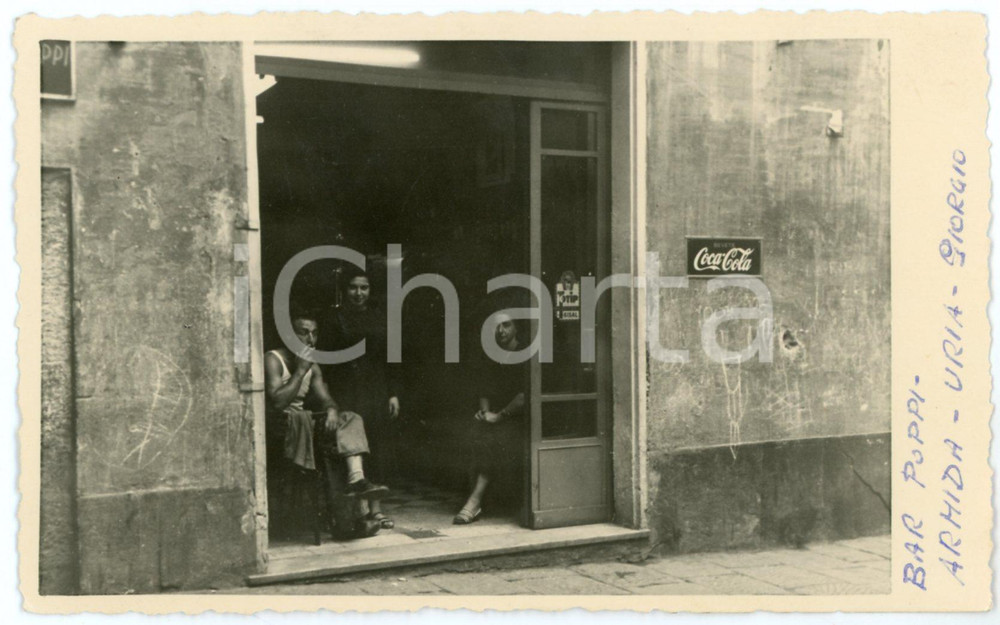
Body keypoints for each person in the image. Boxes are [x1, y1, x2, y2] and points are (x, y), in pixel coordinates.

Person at [265, 309, 388, 537]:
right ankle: (349, 523)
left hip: (305, 427)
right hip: (280, 430)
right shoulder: (274, 359)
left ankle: (356, 480)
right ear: (289, 336)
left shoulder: (313, 365)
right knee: (333, 451)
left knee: (351, 419)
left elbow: (326, 398)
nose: (310, 340)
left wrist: (331, 409)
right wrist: (300, 371)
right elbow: (277, 403)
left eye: (314, 333)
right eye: (303, 333)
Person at [322, 269, 401, 530]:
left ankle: (376, 510)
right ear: (345, 291)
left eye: (364, 288)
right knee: (355, 445)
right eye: (353, 288)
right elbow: (328, 361)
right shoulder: (335, 320)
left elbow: (389, 358)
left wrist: (391, 392)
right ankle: (359, 510)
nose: (359, 293)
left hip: (375, 387)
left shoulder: (380, 319)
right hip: (347, 388)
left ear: (370, 290)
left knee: (377, 444)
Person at [453, 312, 526, 524]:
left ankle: (475, 501)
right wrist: (484, 413)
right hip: (496, 415)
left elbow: (524, 396)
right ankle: (479, 497)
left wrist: (499, 416)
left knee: (495, 439)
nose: (500, 331)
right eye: (496, 326)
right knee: (473, 432)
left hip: (519, 416)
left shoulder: (524, 353)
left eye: (506, 325)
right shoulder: (492, 355)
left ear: (516, 328)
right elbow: (485, 390)